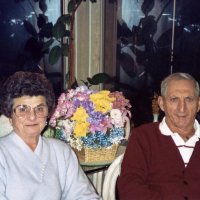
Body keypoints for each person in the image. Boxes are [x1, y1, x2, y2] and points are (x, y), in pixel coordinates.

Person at [0, 71, 101, 200]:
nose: (32, 116)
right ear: (10, 115)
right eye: (23, 109)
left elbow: (84, 195)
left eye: (40, 108)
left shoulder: (61, 151)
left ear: (48, 113)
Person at [117, 72, 200, 200]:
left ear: (198, 104)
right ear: (161, 103)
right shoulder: (143, 137)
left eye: (188, 99)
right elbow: (130, 186)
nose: (182, 108)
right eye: (174, 99)